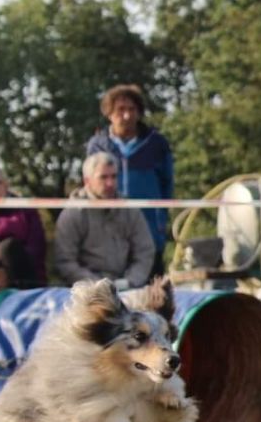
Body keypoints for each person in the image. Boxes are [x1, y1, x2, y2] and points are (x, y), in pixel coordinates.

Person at [85, 84, 172, 278]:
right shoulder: (97, 145)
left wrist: (161, 221)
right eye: (120, 110)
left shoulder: (157, 144)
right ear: (109, 113)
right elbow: (90, 188)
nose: (126, 116)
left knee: (153, 295)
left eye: (132, 109)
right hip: (108, 236)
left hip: (149, 231)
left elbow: (167, 185)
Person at [53, 151, 154, 288]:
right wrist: (97, 285)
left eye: (114, 177)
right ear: (87, 181)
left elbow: (145, 252)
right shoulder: (72, 214)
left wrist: (131, 281)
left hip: (128, 288)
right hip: (84, 293)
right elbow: (65, 261)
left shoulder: (131, 211)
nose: (110, 183)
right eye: (103, 177)